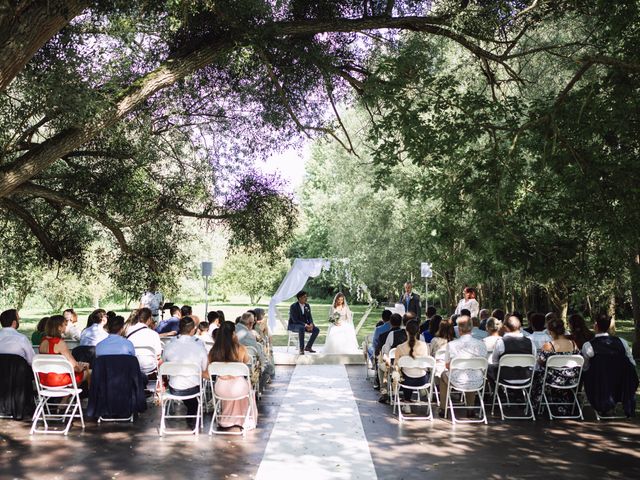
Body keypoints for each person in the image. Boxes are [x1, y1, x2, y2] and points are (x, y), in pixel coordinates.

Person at [209, 321, 257, 432]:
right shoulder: (240, 349)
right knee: (247, 386)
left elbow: (209, 369)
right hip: (239, 388)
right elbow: (245, 362)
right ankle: (243, 419)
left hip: (220, 388)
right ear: (233, 334)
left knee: (234, 386)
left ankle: (227, 417)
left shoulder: (214, 351)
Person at [162, 317, 209, 430]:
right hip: (193, 388)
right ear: (193, 330)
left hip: (174, 387)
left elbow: (164, 362)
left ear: (179, 328)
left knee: (189, 393)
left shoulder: (170, 344)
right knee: (193, 395)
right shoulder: (199, 345)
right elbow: (204, 368)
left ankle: (192, 415)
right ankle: (193, 417)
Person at [438, 316, 487, 417]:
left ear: (459, 329)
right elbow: (484, 363)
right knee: (473, 372)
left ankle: (443, 408)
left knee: (443, 375)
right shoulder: (481, 344)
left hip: (457, 380)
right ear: (472, 328)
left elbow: (448, 365)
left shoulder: (451, 345)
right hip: (478, 381)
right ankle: (470, 408)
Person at [530, 317, 580, 413]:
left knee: (536, 375)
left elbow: (540, 362)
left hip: (553, 380)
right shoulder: (573, 344)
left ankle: (537, 405)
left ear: (550, 332)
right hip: (571, 379)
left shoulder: (549, 346)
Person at [38, 315, 89, 386]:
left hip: (44, 379)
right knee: (88, 372)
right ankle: (69, 396)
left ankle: (66, 396)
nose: (66, 327)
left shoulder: (43, 341)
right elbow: (75, 366)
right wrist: (82, 367)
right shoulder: (59, 343)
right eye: (65, 325)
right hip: (57, 379)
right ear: (59, 327)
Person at [394, 320, 430, 413]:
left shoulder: (400, 347)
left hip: (407, 381)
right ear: (418, 331)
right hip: (423, 380)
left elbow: (396, 366)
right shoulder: (425, 346)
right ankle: (423, 390)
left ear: (406, 331)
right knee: (415, 373)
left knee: (405, 374)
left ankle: (406, 403)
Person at [490, 315, 536, 385]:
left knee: (489, 368)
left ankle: (497, 392)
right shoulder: (530, 342)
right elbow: (534, 361)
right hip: (526, 378)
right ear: (520, 327)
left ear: (506, 328)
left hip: (505, 378)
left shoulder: (501, 342)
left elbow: (495, 361)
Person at [377, 314, 407, 403]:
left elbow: (386, 351)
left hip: (396, 367)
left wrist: (386, 359)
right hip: (414, 369)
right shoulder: (420, 338)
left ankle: (384, 392)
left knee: (381, 366)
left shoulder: (392, 334)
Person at [124, 308, 162, 374]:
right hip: (150, 367)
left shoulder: (128, 331)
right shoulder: (154, 334)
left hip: (134, 366)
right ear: (149, 319)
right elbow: (158, 354)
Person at [287, 290, 320, 355]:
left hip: (304, 325)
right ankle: (301, 349)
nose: (306, 298)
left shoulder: (307, 305)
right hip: (294, 325)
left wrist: (311, 324)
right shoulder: (293, 306)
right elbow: (295, 320)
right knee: (301, 328)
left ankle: (308, 347)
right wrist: (305, 325)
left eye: (306, 296)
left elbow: (310, 317)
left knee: (316, 329)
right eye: (304, 297)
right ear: (300, 298)